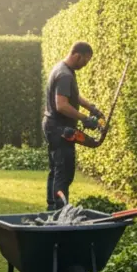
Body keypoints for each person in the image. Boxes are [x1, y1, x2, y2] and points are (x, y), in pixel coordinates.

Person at [42, 41, 104, 209]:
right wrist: (85, 119)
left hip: (52, 126)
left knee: (56, 170)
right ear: (77, 55)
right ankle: (60, 212)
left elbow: (73, 96)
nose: (85, 64)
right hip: (59, 129)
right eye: (85, 60)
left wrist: (91, 108)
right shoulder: (65, 75)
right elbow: (62, 105)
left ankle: (51, 209)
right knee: (64, 173)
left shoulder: (61, 69)